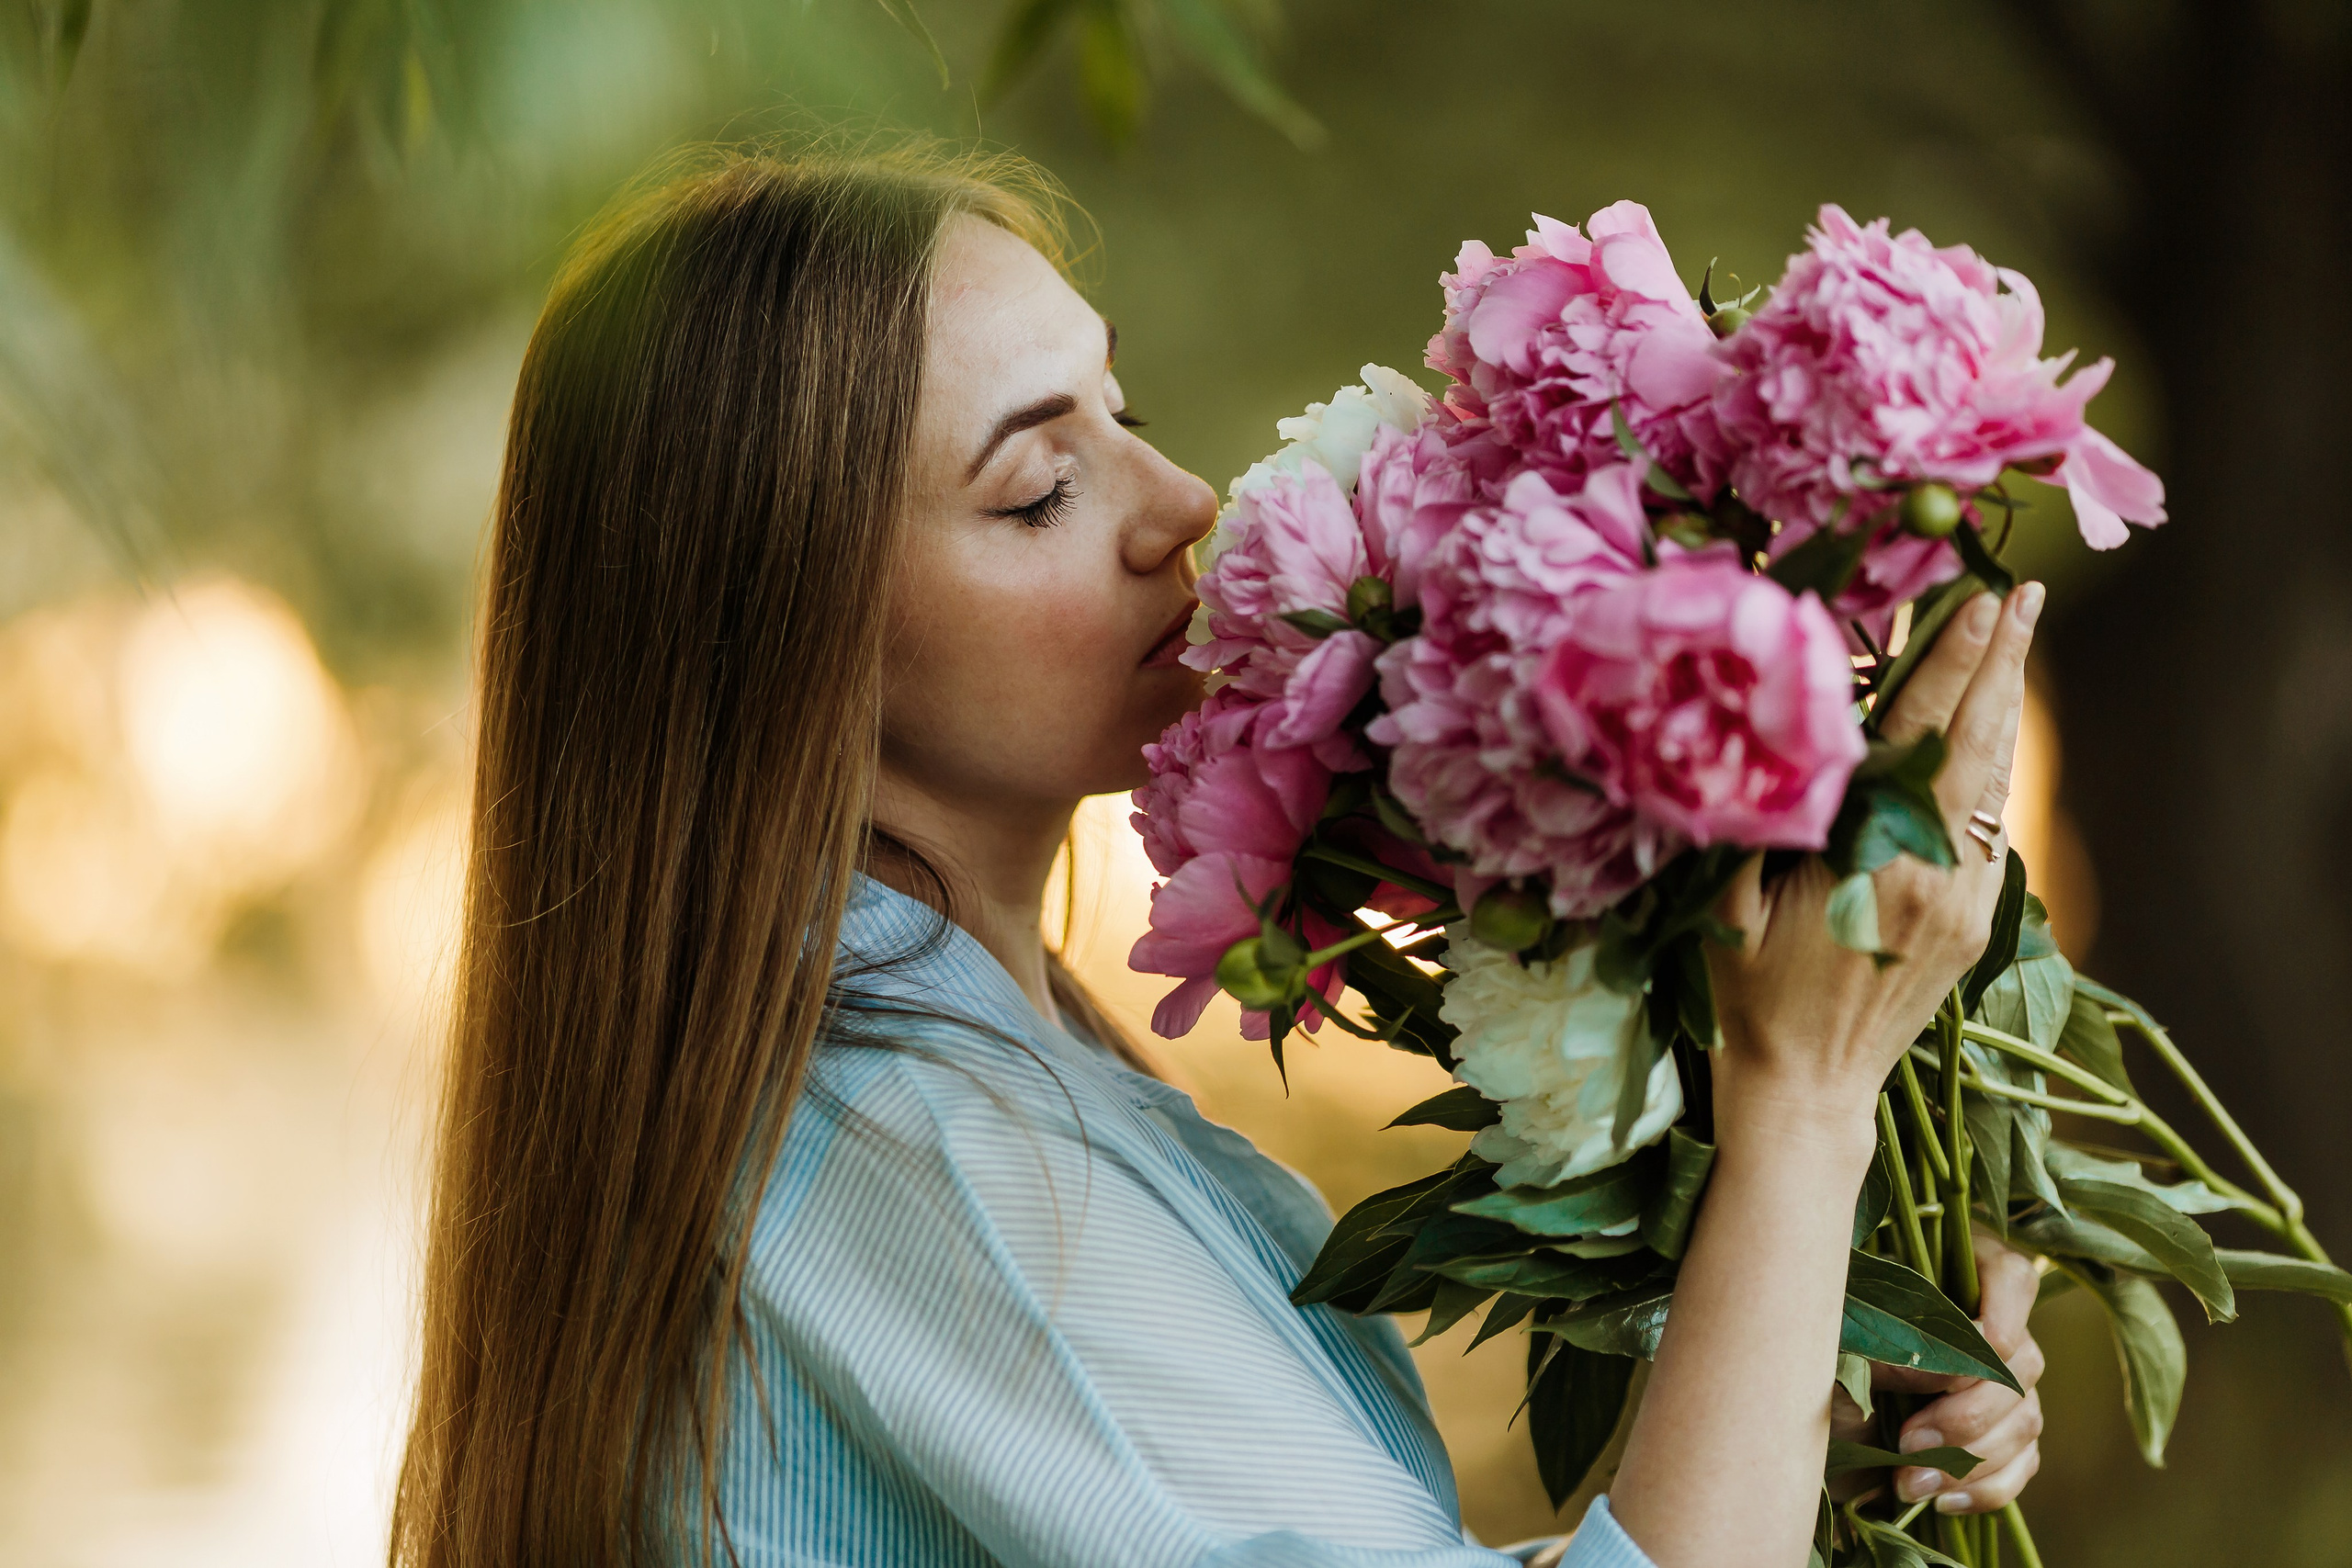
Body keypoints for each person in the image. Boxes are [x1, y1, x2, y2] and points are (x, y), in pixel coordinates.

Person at [391, 147, 2046, 1568]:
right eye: (1039, 487)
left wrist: (1782, 1423)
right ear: (782, 637)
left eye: (1126, 413)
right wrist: (1809, 1105)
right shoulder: (933, 1151)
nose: (1179, 499)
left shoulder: (950, 1071)